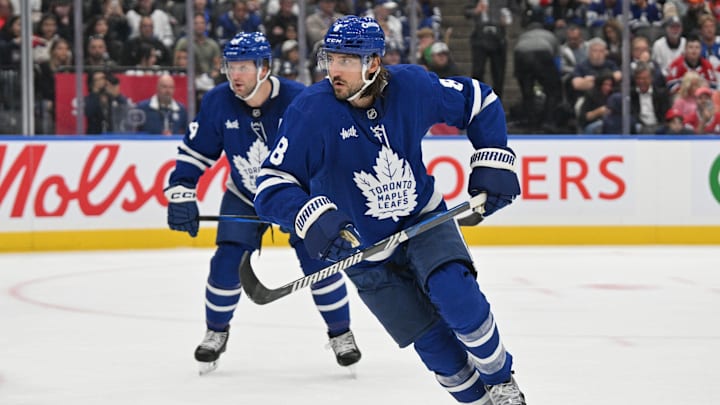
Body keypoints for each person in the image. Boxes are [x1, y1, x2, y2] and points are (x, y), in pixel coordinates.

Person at [254, 16, 525, 404]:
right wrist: (309, 213)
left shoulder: (412, 86)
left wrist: (492, 158)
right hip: (361, 248)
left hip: (422, 218)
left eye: (347, 60)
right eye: (331, 58)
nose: (335, 69)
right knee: (434, 347)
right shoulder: (310, 112)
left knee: (458, 297)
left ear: (373, 64)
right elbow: (272, 184)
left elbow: (480, 100)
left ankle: (501, 383)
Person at [163, 32, 362, 374]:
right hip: (245, 195)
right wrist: (182, 189)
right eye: (230, 67)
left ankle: (341, 333)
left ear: (265, 67)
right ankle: (216, 331)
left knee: (320, 261)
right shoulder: (217, 102)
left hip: (297, 197)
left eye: (243, 66)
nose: (234, 75)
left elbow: (334, 149)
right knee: (226, 261)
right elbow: (196, 152)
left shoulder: (301, 100)